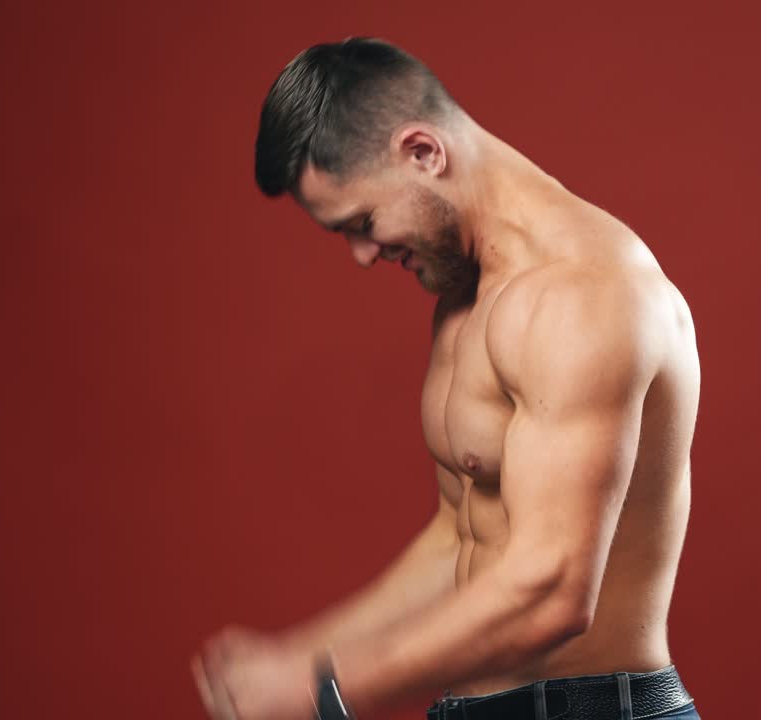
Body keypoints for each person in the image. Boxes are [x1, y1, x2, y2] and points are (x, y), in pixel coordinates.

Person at [193, 37, 703, 720]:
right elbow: (461, 536)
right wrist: (302, 656)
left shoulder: (584, 293)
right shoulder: (468, 301)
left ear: (424, 152)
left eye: (363, 222)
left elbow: (553, 591)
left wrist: (327, 689)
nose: (362, 256)